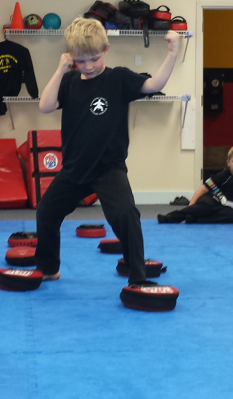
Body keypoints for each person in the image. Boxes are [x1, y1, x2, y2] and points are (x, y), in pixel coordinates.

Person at [34, 17, 181, 286]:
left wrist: (173, 53)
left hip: (108, 168)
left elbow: (154, 85)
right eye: (81, 60)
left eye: (94, 58)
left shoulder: (118, 79)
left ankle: (137, 277)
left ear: (106, 50)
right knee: (46, 211)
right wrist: (60, 69)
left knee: (126, 216)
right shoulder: (68, 82)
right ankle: (48, 268)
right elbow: (44, 106)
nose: (88, 66)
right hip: (75, 168)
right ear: (71, 58)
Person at [157, 144, 233, 224]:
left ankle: (195, 220)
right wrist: (191, 205)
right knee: (205, 208)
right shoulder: (223, 175)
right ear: (228, 163)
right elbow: (202, 190)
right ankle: (168, 218)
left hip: (225, 206)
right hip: (211, 200)